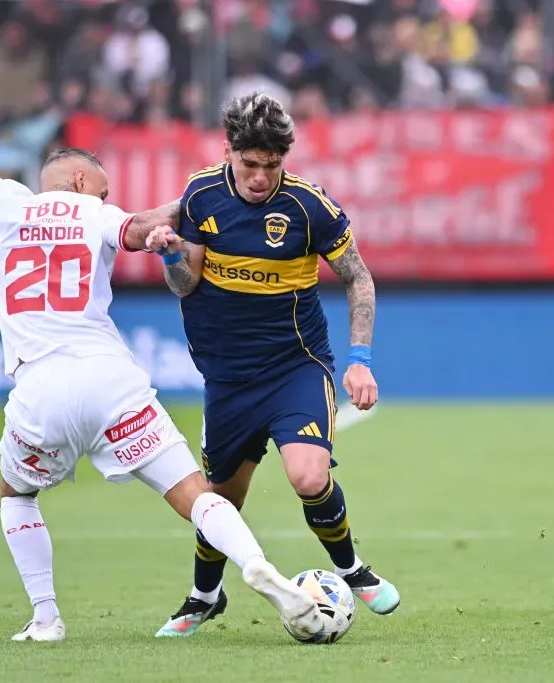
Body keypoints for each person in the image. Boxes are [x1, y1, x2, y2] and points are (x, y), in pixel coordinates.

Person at [0, 54, 323, 643]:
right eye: (104, 186)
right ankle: (255, 566)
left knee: (18, 494)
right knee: (196, 494)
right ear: (82, 182)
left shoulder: (2, 202)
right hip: (111, 378)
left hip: (40, 386)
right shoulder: (96, 212)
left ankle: (46, 618)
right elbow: (142, 229)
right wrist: (171, 226)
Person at [146, 92, 401, 638]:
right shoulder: (201, 195)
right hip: (228, 377)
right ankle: (204, 596)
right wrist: (170, 254)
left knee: (309, 476)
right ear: (229, 152)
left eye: (272, 165)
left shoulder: (310, 208)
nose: (261, 177)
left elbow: (358, 277)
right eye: (250, 164)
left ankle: (352, 569)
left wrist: (360, 361)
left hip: (295, 367)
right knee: (220, 501)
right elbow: (186, 283)